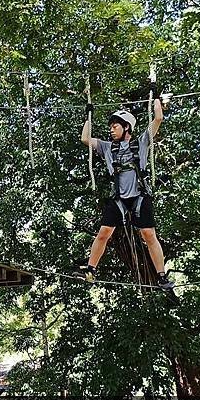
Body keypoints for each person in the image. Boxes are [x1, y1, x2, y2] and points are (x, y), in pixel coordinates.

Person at [77, 88, 174, 290]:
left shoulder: (141, 143)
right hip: (119, 197)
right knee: (104, 232)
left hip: (139, 195)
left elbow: (158, 118)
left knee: (148, 234)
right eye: (111, 127)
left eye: (115, 127)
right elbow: (85, 139)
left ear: (126, 127)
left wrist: (156, 97)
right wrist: (88, 116)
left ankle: (162, 276)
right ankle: (90, 269)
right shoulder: (106, 147)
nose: (111, 130)